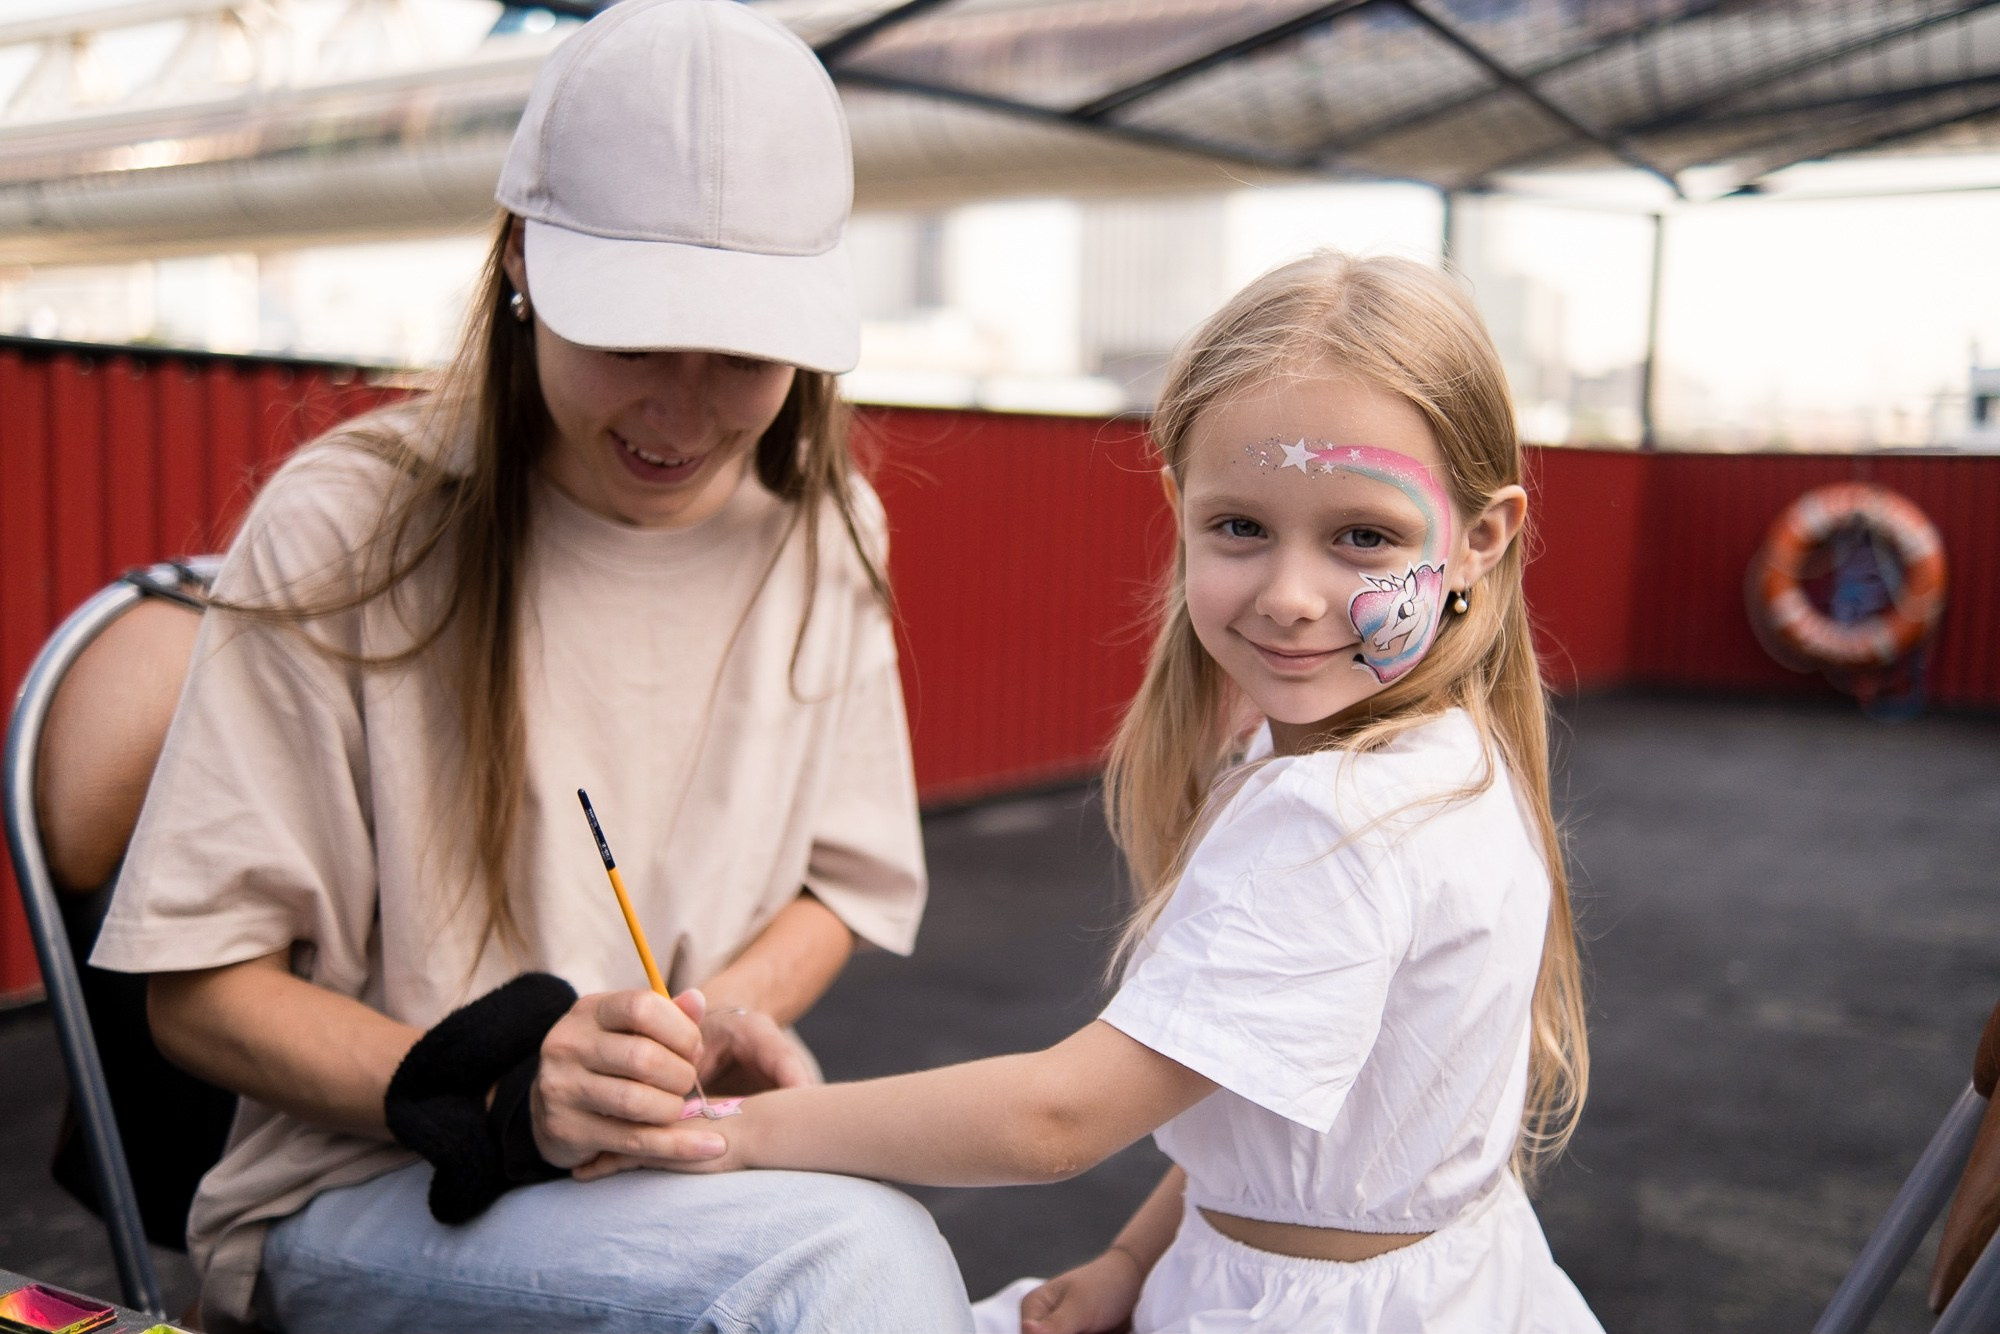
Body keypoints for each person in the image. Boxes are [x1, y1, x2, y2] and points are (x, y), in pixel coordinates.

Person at [88, 2, 972, 1331]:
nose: (682, 411)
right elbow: (200, 997)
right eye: (631, 335)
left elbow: (838, 883)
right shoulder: (348, 524)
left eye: (747, 354)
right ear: (519, 264)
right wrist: (506, 1092)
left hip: (667, 1168)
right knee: (851, 1263)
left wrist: (681, 1037)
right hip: (368, 1183)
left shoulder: (829, 532)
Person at [623, 252, 1605, 1333]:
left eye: (1363, 536)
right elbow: (1266, 1080)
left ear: (1479, 539)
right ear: (1180, 509)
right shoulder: (1448, 762)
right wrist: (1134, 1257)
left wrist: (738, 1131)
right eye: (1241, 527)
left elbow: (1057, 1117)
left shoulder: (1334, 820)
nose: (1289, 595)